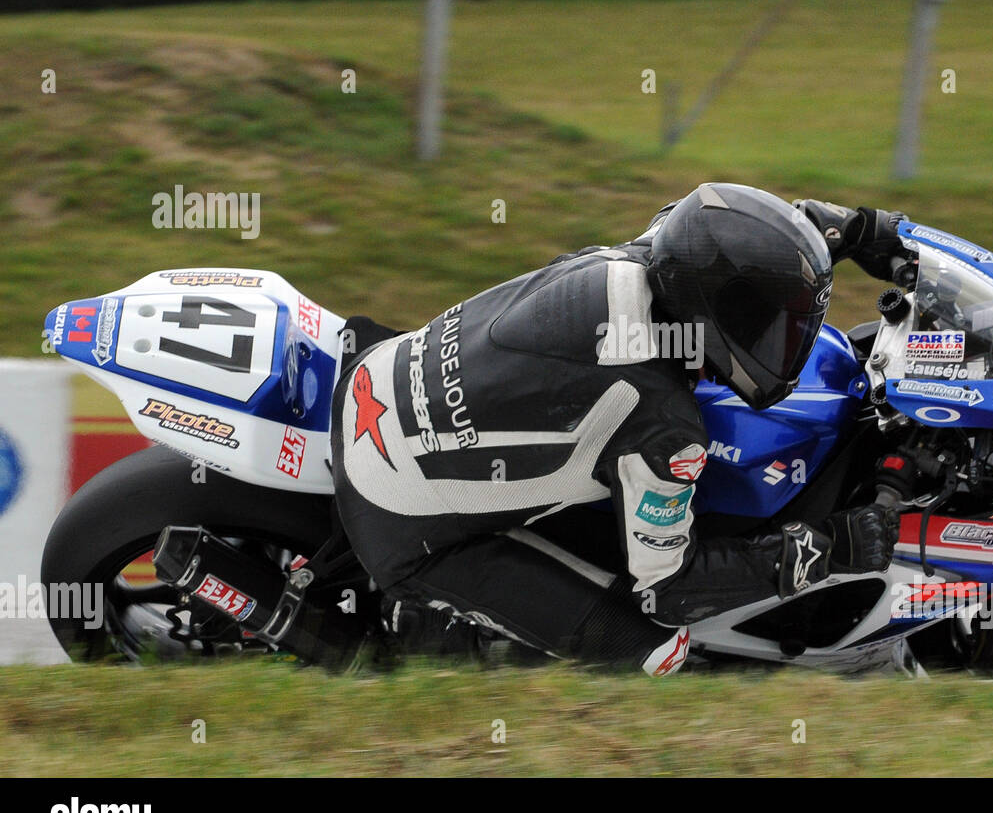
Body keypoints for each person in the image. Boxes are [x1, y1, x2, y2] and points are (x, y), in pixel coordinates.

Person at [330, 183, 904, 675]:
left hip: (374, 375)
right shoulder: (662, 425)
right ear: (716, 314)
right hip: (399, 517)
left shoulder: (638, 259)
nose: (785, 342)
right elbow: (668, 590)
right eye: (771, 325)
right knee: (657, 650)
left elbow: (718, 233)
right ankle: (429, 634)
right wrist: (828, 550)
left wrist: (852, 229)